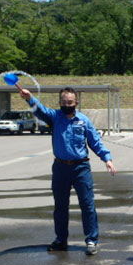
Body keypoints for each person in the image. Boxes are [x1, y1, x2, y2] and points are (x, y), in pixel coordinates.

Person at [20, 87, 116, 255]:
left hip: (81, 168)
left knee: (87, 206)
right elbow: (39, 110)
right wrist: (29, 98)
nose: (67, 105)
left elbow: (95, 142)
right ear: (60, 103)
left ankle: (91, 241)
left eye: (70, 102)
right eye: (63, 102)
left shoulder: (83, 120)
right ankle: (61, 240)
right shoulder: (55, 117)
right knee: (60, 207)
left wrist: (107, 159)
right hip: (60, 168)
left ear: (76, 103)